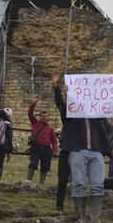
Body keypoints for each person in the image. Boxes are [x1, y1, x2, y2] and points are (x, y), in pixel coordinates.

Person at [54, 74, 111, 223]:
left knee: (98, 185)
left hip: (96, 152)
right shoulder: (71, 116)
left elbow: (109, 128)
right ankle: (80, 218)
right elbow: (62, 109)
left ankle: (95, 218)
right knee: (78, 184)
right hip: (77, 151)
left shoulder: (98, 116)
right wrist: (64, 94)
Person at [27, 96, 58, 185]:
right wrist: (33, 104)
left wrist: (55, 149)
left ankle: (41, 184)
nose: (44, 117)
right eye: (43, 116)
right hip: (36, 148)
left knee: (45, 167)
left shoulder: (50, 128)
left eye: (46, 116)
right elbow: (30, 114)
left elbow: (54, 140)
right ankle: (29, 181)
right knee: (33, 164)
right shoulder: (35, 123)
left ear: (48, 118)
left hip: (47, 149)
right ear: (40, 117)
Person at [52, 74, 71, 213]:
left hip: (79, 149)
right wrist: (56, 87)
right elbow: (59, 102)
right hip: (66, 148)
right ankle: (59, 204)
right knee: (62, 178)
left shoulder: (83, 115)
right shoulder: (65, 113)